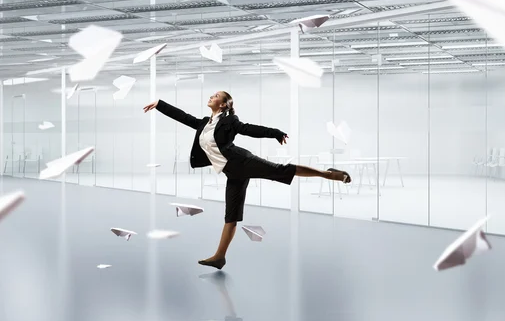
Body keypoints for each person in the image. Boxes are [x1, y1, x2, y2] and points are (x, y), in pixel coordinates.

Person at [143, 91, 351, 270]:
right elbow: (183, 117)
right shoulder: (205, 123)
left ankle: (329, 174)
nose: (211, 97)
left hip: (242, 162)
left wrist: (275, 133)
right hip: (231, 172)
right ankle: (219, 257)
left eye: (215, 96)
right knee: (231, 216)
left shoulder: (229, 120)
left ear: (223, 104)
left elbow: (248, 129)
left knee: (281, 170)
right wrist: (160, 105)